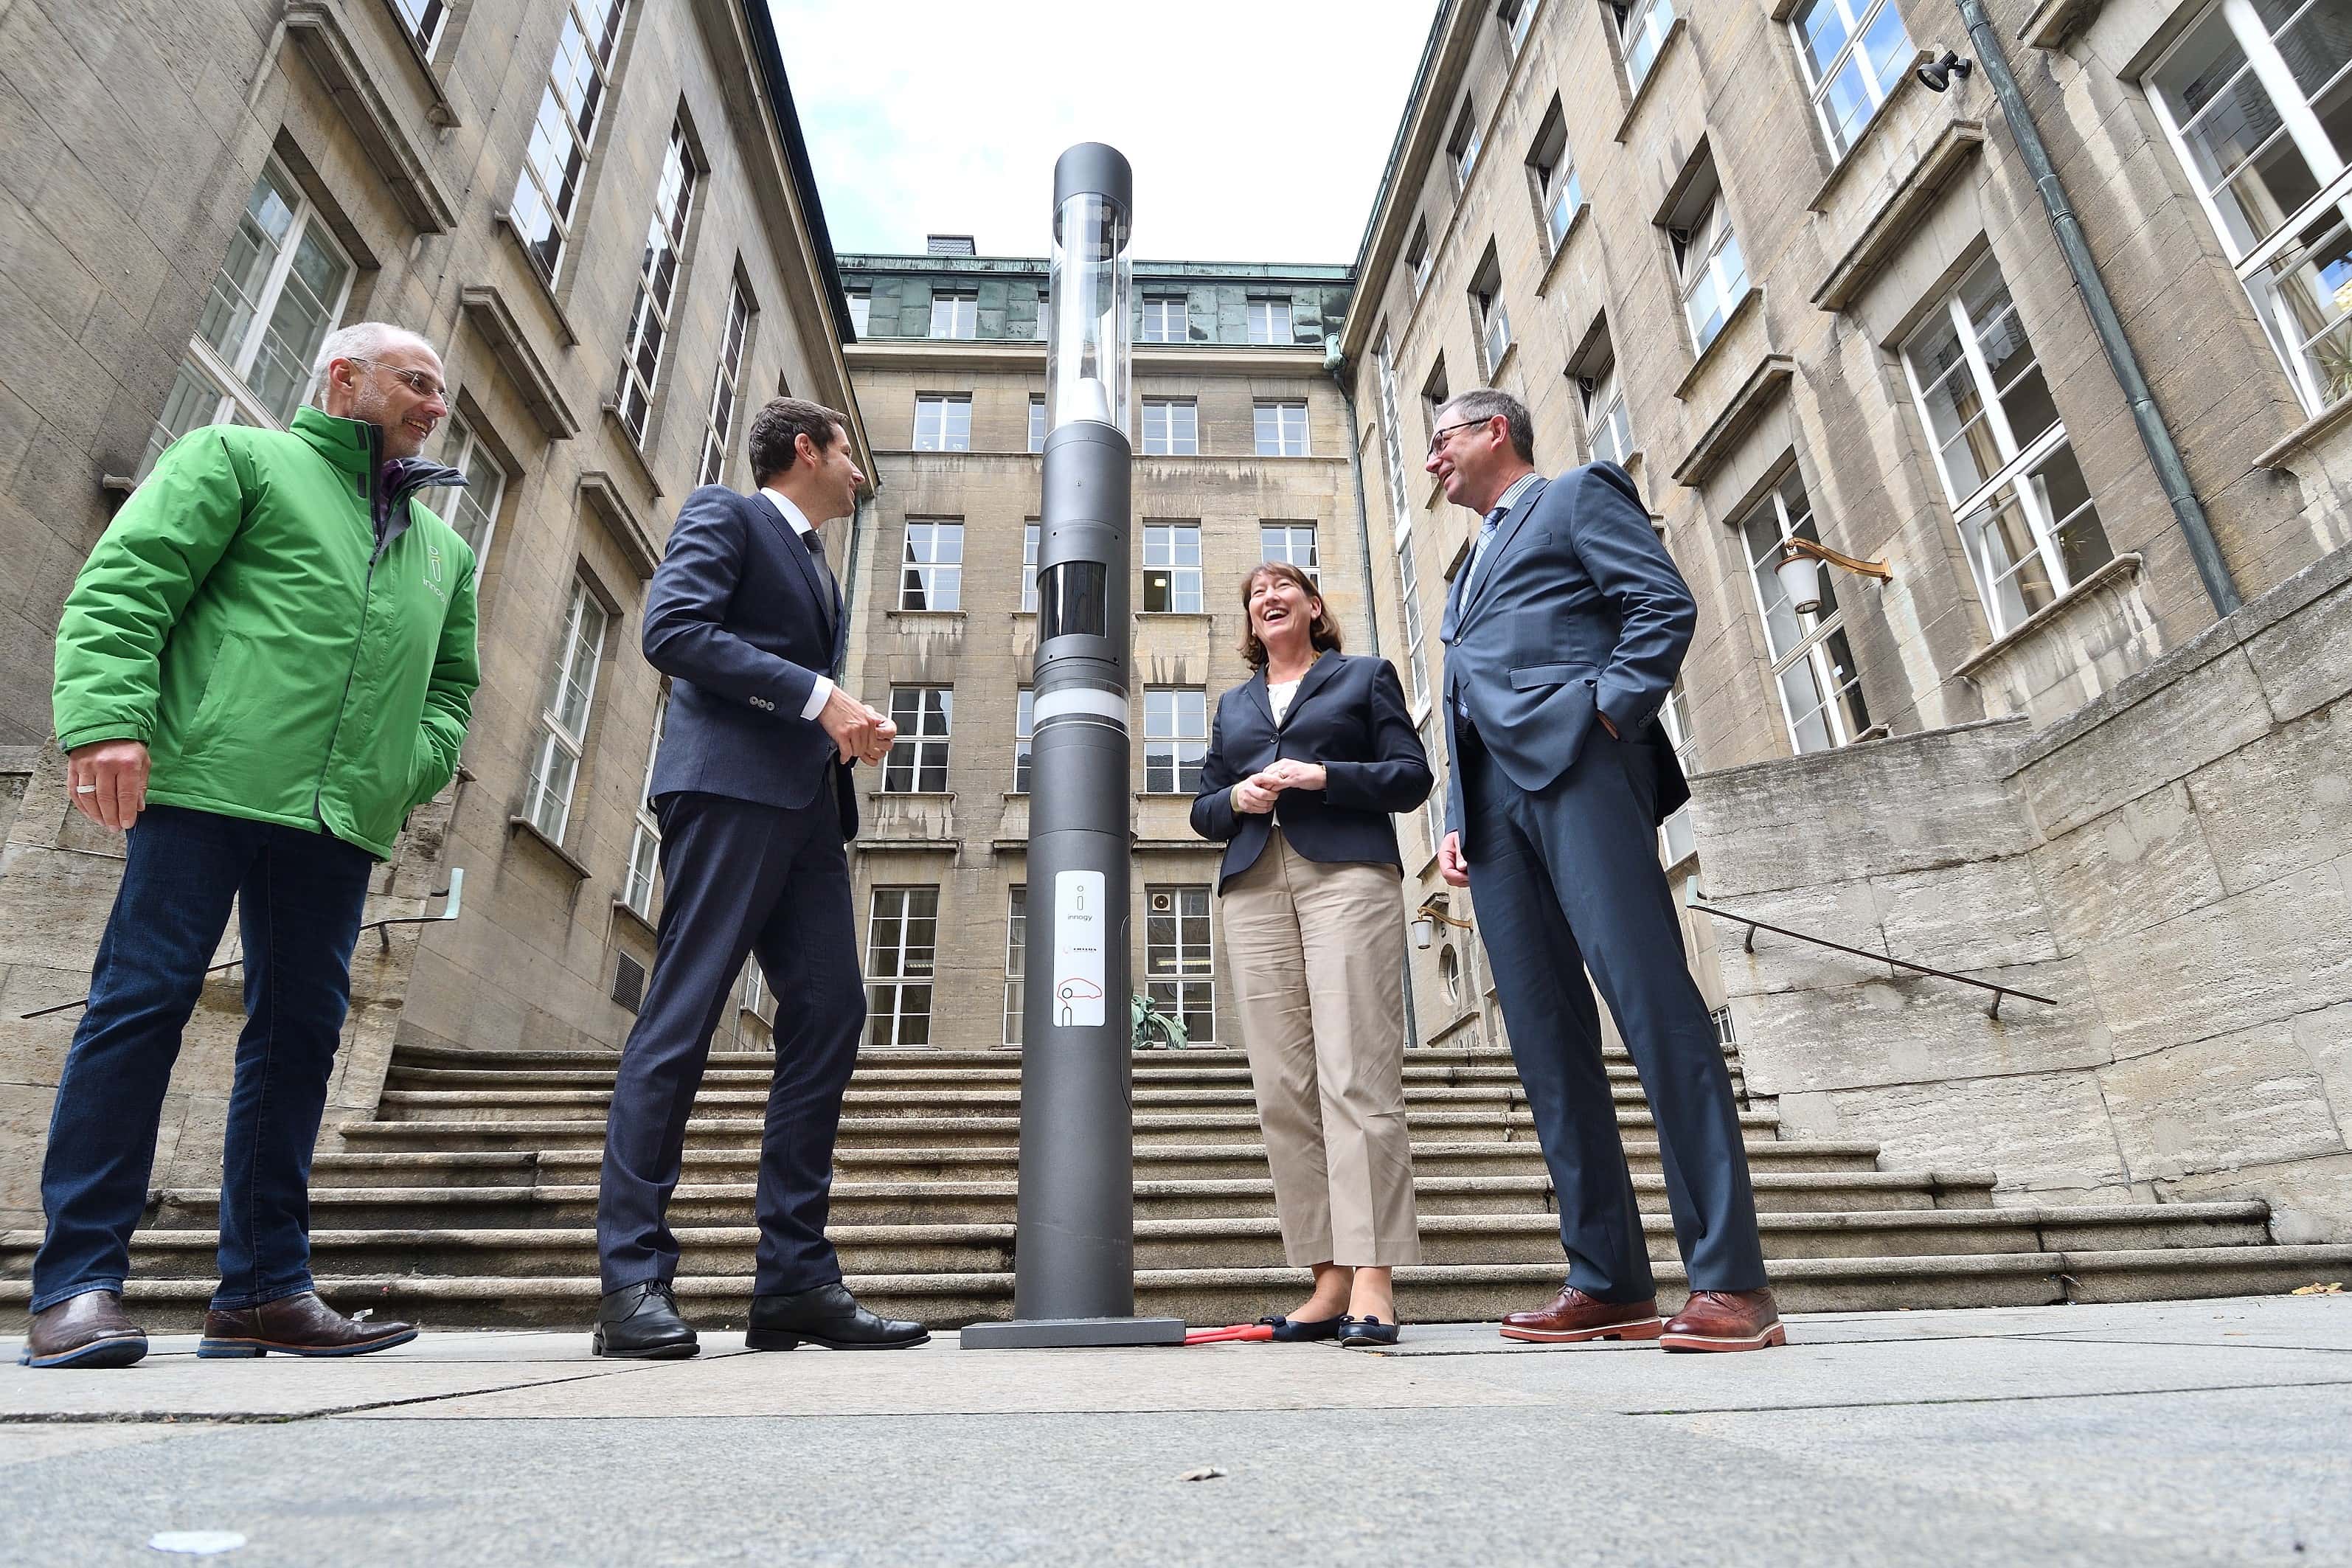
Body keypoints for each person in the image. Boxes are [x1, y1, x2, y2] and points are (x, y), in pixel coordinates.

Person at [24, 323, 479, 1368]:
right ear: (344, 378)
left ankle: (264, 1290)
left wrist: (404, 767)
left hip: (335, 823)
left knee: (301, 1038)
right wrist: (104, 720)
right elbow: (128, 583)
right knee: (139, 1008)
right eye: (415, 382)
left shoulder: (443, 549)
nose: (433, 404)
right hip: (208, 784)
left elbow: (453, 687)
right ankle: (79, 1284)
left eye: (438, 390)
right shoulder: (239, 460)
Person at [1427, 387, 1782, 1353]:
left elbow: (1660, 604)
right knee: (1545, 1043)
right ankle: (1609, 1277)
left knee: (1653, 1006)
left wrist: (1607, 714)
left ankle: (1731, 1281)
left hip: (1580, 770)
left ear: (1495, 429)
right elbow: (1460, 703)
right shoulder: (1462, 574)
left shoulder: (1579, 493)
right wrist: (1458, 816)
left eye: (1442, 438)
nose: (1432, 461)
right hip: (1496, 819)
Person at [592, 398, 927, 1359]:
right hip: (729, 793)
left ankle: (792, 1280)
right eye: (849, 456)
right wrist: (821, 696)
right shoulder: (724, 514)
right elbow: (676, 631)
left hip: (807, 815)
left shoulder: (819, 568)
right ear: (806, 450)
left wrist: (834, 724)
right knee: (685, 1012)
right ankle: (632, 1277)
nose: (861, 476)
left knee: (831, 1010)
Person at [1190, 561, 1432, 1347]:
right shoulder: (1233, 705)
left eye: (1282, 586)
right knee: (1283, 1087)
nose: (1267, 595)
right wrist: (1239, 797)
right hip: (1255, 880)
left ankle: (1372, 1275)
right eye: (1254, 591)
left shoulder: (1364, 678)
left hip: (1347, 876)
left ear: (1313, 606)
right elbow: (1203, 807)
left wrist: (1326, 776)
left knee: (1356, 1072)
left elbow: (1410, 776)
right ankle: (1327, 1275)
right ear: (1250, 620)